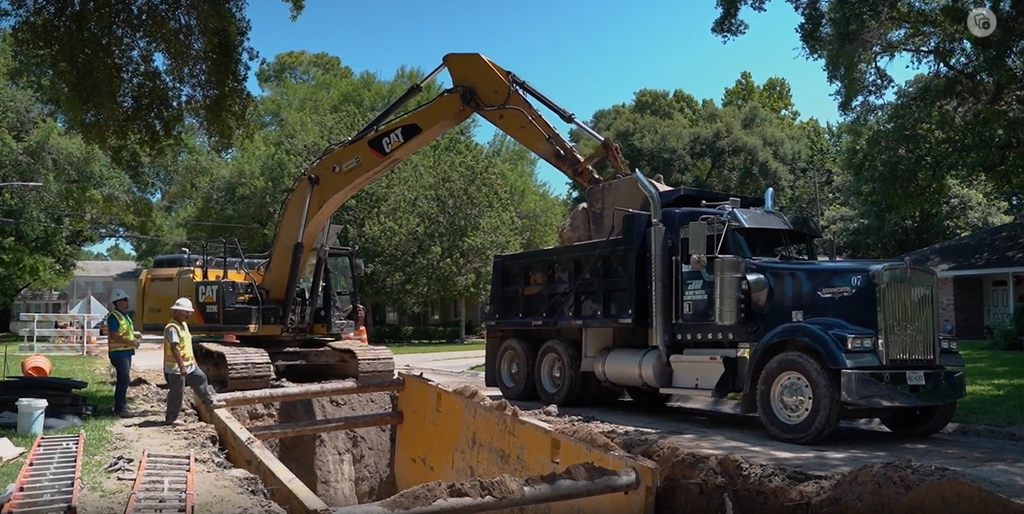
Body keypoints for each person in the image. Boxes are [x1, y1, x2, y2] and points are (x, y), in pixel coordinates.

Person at [163, 297, 225, 426]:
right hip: (176, 367)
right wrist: (181, 366)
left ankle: (209, 403)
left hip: (189, 364)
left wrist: (193, 362)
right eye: (186, 312)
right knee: (177, 392)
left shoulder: (183, 325)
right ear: (177, 312)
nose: (189, 315)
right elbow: (175, 348)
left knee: (200, 378)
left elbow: (187, 346)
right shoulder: (172, 327)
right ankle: (171, 418)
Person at [107, 289, 141, 417]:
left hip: (125, 352)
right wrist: (132, 342)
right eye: (125, 300)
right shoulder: (114, 317)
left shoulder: (124, 316)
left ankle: (121, 405)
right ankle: (120, 408)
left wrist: (135, 335)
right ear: (118, 302)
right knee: (124, 380)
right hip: (119, 353)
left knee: (124, 380)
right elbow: (115, 336)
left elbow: (124, 332)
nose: (127, 302)